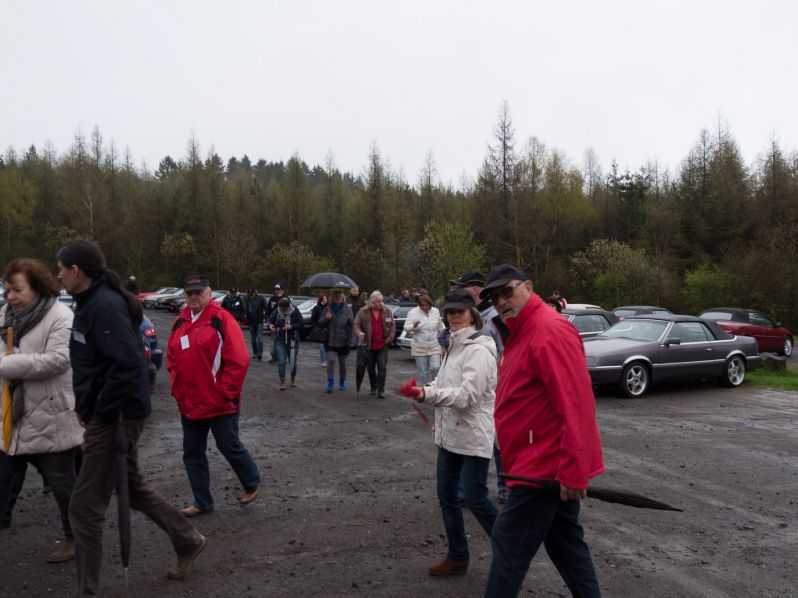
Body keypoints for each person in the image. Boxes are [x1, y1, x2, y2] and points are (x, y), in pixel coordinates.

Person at [57, 240, 205, 596]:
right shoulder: (92, 302)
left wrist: (101, 412)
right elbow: (97, 363)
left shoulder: (104, 306)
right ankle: (187, 539)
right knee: (131, 487)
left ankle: (86, 591)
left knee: (83, 507)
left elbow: (128, 366)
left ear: (77, 270)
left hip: (117, 417)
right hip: (111, 413)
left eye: (61, 267)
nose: (58, 274)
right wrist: (86, 405)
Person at [480, 264, 604, 598]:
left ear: (529, 286)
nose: (502, 301)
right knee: (566, 545)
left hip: (543, 467)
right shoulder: (521, 331)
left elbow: (576, 404)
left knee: (508, 539)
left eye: (508, 291)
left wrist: (575, 471)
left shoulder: (549, 330)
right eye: (495, 296)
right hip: (531, 463)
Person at [408, 289, 498, 577]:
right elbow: (441, 382)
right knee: (447, 496)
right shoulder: (452, 346)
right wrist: (424, 391)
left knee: (477, 498)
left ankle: (511, 549)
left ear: (473, 314)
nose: (455, 315)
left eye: (461, 310)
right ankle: (458, 555)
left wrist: (428, 395)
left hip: (472, 436)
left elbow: (467, 396)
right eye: (450, 311)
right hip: (449, 436)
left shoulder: (479, 350)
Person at [0, 258, 84, 563]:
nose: (9, 296)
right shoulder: (7, 314)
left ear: (36, 287)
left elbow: (58, 360)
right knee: (3, 476)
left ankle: (77, 539)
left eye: (16, 290)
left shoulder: (61, 315)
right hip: (14, 415)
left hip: (51, 415)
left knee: (63, 485)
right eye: (7, 290)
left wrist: (6, 365)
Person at [167, 276, 259, 517]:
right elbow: (172, 358)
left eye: (198, 292)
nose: (193, 297)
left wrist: (225, 392)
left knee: (228, 445)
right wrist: (178, 389)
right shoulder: (180, 322)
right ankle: (202, 501)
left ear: (209, 293)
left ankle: (252, 481)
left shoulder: (222, 319)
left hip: (219, 402)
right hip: (190, 403)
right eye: (189, 294)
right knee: (192, 452)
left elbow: (239, 360)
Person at [451, 271, 510, 504]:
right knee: (472, 436)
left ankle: (506, 486)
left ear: (475, 290)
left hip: (494, 389)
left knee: (498, 440)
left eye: (462, 288)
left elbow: (507, 353)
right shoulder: (470, 317)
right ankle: (467, 490)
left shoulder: (495, 318)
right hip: (471, 386)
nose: (458, 292)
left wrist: (500, 384)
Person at [353, 290, 395, 398]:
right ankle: (373, 385)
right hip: (369, 344)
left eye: (381, 301)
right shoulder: (363, 311)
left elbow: (392, 326)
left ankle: (381, 390)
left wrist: (389, 339)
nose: (381, 303)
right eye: (378, 302)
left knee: (382, 367)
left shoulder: (387, 311)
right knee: (370, 367)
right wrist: (359, 333)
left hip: (383, 344)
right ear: (372, 301)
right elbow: (356, 325)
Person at [403, 294, 444, 385]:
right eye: (423, 305)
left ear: (430, 304)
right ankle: (424, 392)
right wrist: (414, 326)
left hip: (434, 345)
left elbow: (440, 327)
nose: (425, 307)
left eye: (427, 305)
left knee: (435, 367)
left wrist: (444, 338)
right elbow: (406, 327)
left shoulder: (436, 311)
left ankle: (435, 389)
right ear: (419, 305)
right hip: (419, 346)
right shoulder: (412, 313)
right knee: (423, 372)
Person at [320, 289, 354, 392]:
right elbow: (320, 322)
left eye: (339, 297)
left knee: (342, 363)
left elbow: (352, 325)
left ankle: (342, 381)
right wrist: (326, 318)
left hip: (344, 340)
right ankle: (330, 382)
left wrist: (352, 340)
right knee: (330, 360)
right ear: (332, 298)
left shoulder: (348, 310)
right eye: (336, 297)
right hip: (330, 340)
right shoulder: (328, 309)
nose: (338, 299)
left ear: (342, 298)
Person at [268, 297, 303, 390]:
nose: (283, 311)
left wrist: (291, 326)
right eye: (282, 309)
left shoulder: (295, 311)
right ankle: (282, 381)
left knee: (293, 362)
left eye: (285, 309)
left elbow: (301, 324)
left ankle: (293, 378)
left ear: (289, 306)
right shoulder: (277, 311)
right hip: (280, 340)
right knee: (281, 361)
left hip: (293, 341)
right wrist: (270, 326)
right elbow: (270, 321)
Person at [245, 288, 269, 360]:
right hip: (251, 321)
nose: (251, 295)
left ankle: (259, 353)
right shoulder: (246, 299)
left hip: (259, 320)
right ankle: (255, 352)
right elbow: (245, 308)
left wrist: (265, 317)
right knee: (253, 338)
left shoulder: (261, 298)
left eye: (252, 294)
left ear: (255, 293)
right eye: (250, 294)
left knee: (259, 336)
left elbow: (266, 308)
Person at [267, 284, 286, 362]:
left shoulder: (286, 298)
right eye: (276, 289)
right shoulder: (272, 298)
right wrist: (268, 321)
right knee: (273, 341)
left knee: (283, 341)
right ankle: (273, 356)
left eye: (279, 289)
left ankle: (282, 356)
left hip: (283, 324)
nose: (278, 291)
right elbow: (268, 310)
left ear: (282, 290)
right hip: (273, 324)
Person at [310, 294, 330, 368]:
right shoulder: (317, 307)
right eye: (323, 298)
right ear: (321, 299)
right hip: (320, 329)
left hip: (328, 329)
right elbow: (313, 319)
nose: (325, 300)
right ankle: (324, 360)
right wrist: (317, 326)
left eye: (326, 298)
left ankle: (328, 360)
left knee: (329, 346)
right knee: (322, 346)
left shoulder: (329, 307)